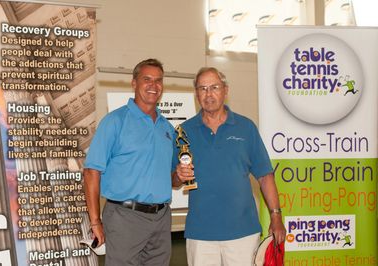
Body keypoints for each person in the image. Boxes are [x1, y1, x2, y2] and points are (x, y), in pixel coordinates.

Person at [172, 67, 286, 266]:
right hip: (201, 234)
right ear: (196, 93)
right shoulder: (184, 131)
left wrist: (276, 216)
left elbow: (265, 176)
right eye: (203, 88)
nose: (209, 94)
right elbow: (173, 181)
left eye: (214, 87)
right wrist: (178, 176)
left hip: (243, 232)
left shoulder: (246, 127)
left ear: (226, 90)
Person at [84, 58, 174, 266]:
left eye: (159, 80)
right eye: (147, 79)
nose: (154, 85)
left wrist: (180, 174)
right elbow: (91, 172)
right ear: (134, 83)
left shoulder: (167, 129)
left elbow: (172, 178)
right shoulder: (115, 121)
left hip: (161, 218)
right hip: (125, 217)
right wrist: (95, 221)